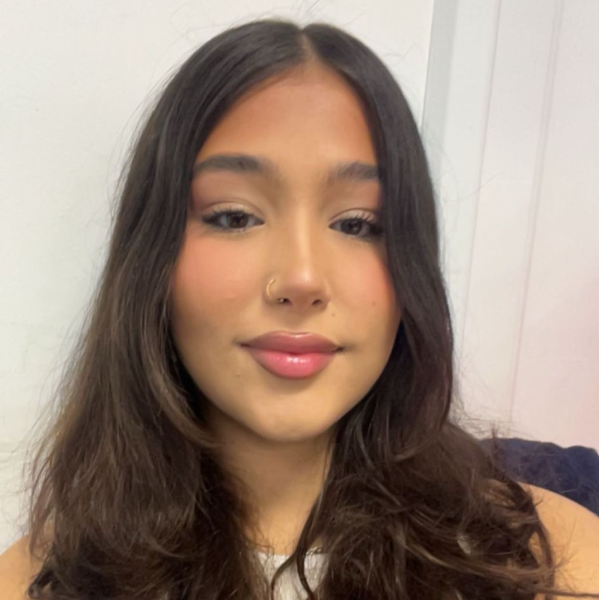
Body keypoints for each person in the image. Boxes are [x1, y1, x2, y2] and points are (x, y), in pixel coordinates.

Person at [0, 18, 598, 600]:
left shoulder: (550, 562)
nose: (302, 280)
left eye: (357, 224)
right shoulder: (38, 582)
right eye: (234, 217)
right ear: (152, 257)